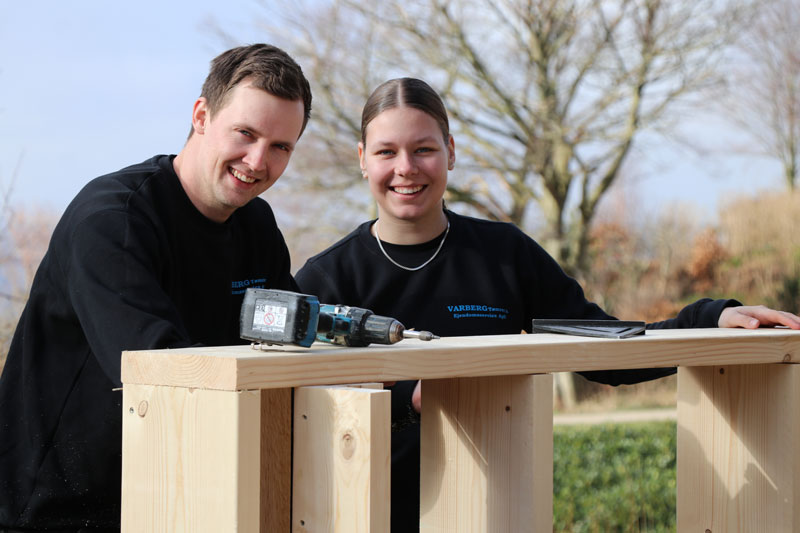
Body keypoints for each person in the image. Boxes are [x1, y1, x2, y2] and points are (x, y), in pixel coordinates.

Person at [294, 77, 800, 532]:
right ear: (362, 158)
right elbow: (305, 413)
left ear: (450, 151)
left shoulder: (505, 255)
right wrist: (410, 398)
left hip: (495, 513)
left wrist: (707, 318)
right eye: (386, 152)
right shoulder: (324, 278)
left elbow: (604, 348)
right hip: (367, 514)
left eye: (423, 149)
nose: (406, 168)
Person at [0, 44, 312, 531]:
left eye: (280, 147)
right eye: (245, 134)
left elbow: (288, 343)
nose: (257, 161)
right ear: (202, 116)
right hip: (56, 510)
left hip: (175, 497)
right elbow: (165, 376)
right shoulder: (113, 220)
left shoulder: (256, 225)